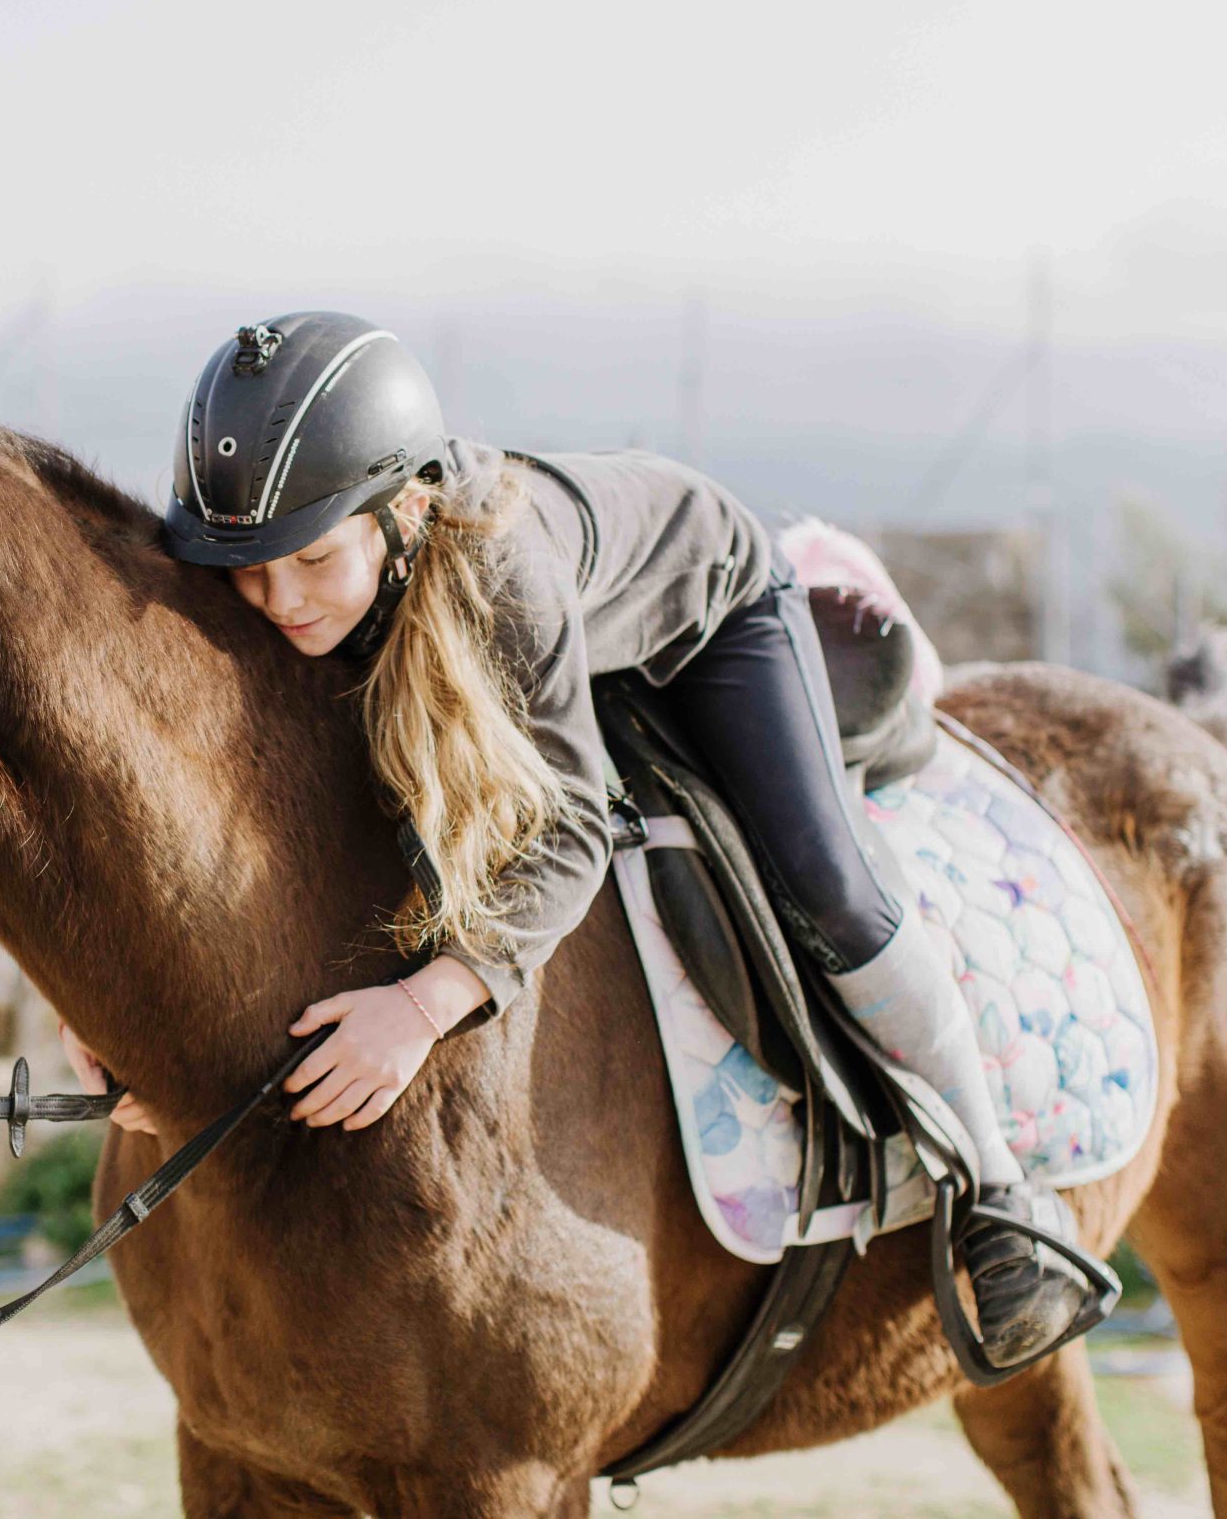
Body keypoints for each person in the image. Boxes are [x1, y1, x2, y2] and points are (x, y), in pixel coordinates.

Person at [59, 311, 1110, 1369]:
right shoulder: (285, 574)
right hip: (547, 619)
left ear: (407, 507)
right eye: (248, 569)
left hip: (712, 614)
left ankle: (998, 1193)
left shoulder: (492, 572)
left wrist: (425, 1004)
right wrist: (134, 1022)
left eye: (314, 559)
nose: (276, 600)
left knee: (825, 884)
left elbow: (565, 828)